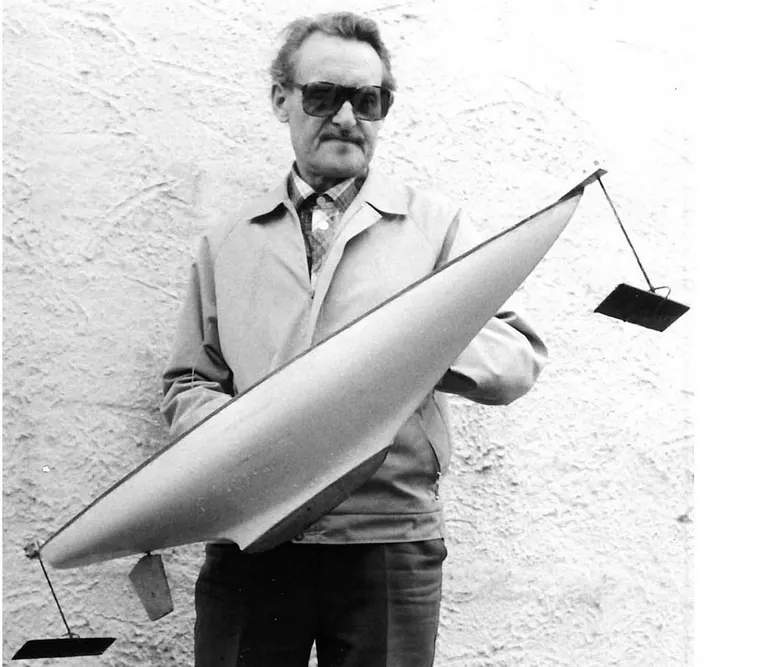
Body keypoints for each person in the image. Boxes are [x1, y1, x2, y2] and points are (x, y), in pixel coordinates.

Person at [160, 11, 548, 667]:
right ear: (280, 99)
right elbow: (188, 382)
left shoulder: (436, 227)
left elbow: (515, 360)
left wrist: (409, 341)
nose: (346, 117)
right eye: (323, 95)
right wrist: (241, 440)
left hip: (389, 538)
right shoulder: (228, 239)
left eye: (368, 100)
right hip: (253, 537)